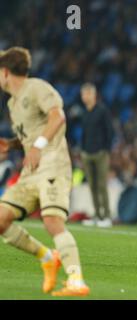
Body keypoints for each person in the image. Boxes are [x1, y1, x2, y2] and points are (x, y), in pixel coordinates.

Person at [0, 47, 89, 296]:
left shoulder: (37, 87)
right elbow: (32, 133)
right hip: (31, 171)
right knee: (1, 218)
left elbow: (57, 116)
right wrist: (12, 144)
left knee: (52, 221)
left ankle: (76, 281)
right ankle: (48, 256)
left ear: (5, 72)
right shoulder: (12, 102)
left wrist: (38, 146)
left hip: (53, 164)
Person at [80, 83, 114, 227]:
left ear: (94, 95)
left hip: (100, 153)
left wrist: (106, 149)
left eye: (88, 94)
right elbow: (84, 133)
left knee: (101, 185)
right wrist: (82, 149)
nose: (85, 97)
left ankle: (106, 216)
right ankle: (97, 215)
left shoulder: (102, 110)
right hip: (86, 153)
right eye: (84, 94)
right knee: (92, 186)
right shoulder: (85, 112)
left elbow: (110, 131)